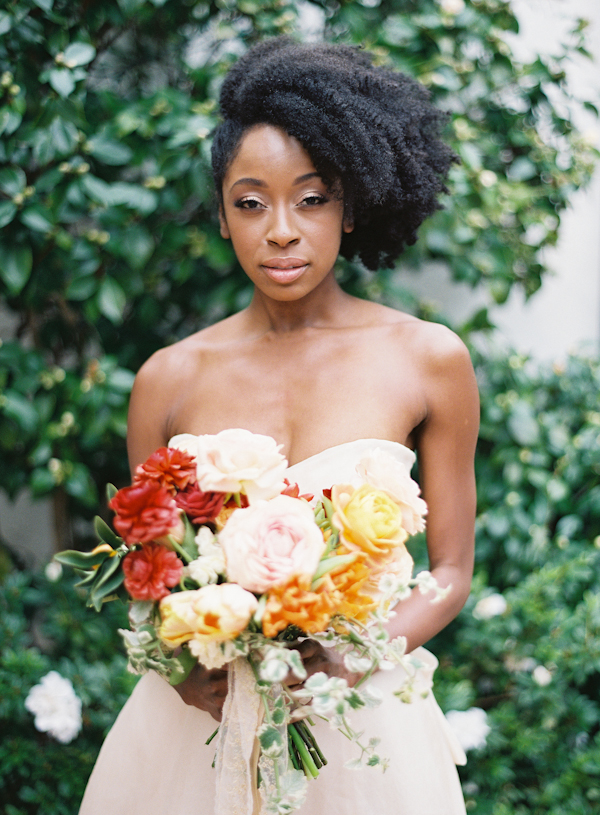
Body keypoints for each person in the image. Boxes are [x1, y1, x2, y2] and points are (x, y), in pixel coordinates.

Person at [79, 37, 479, 815]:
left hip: (363, 729)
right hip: (189, 732)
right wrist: (179, 659)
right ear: (224, 218)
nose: (282, 229)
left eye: (312, 197)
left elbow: (451, 570)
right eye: (251, 201)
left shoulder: (428, 360)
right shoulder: (169, 377)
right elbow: (151, 572)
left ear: (352, 203)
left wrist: (346, 660)